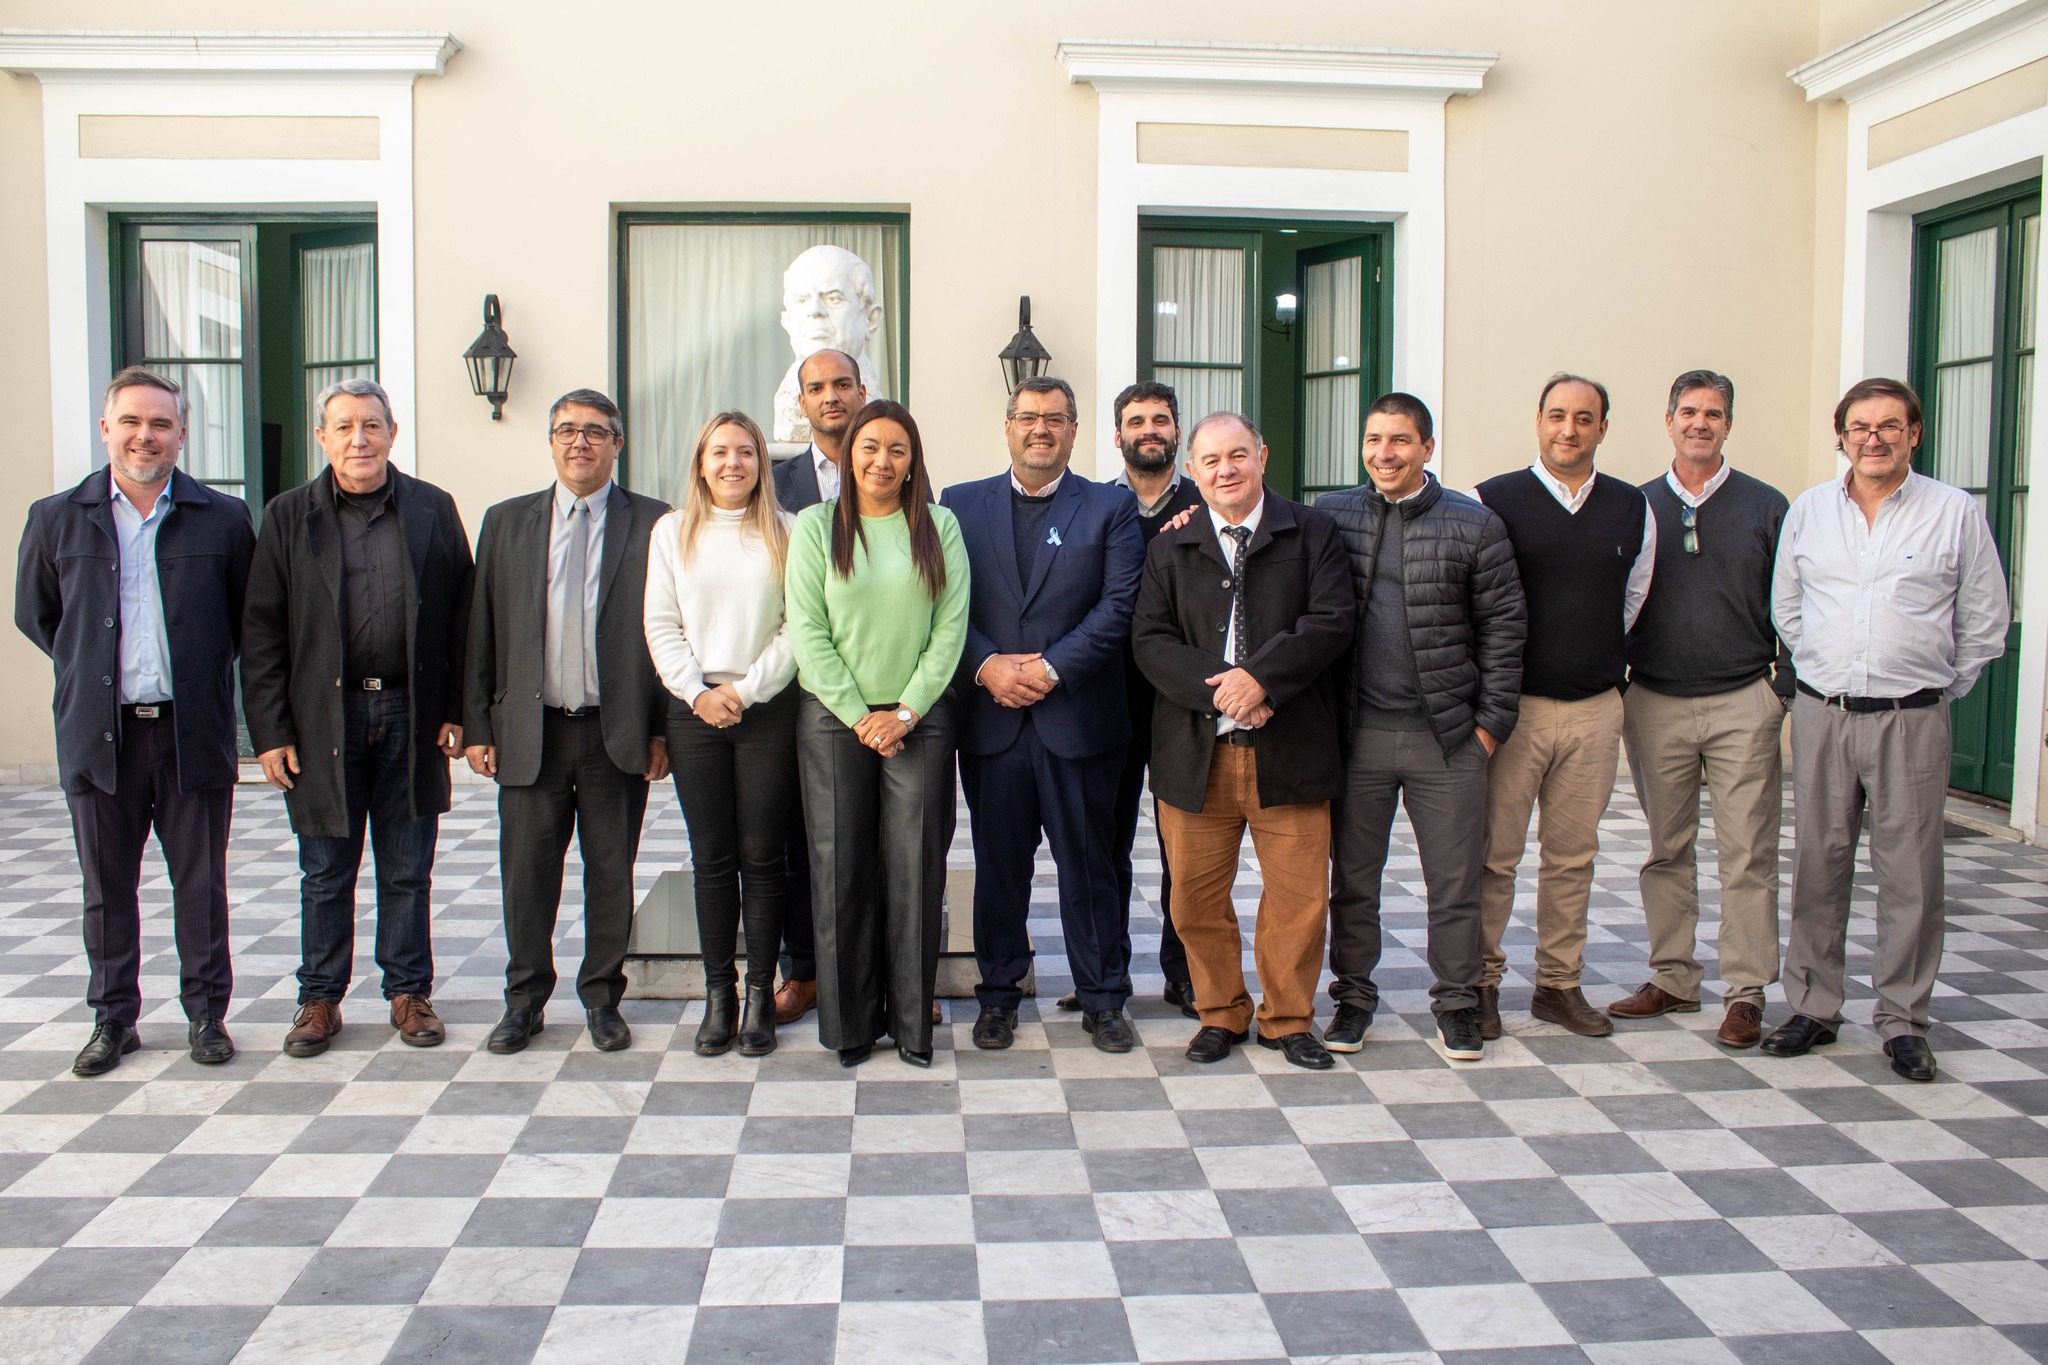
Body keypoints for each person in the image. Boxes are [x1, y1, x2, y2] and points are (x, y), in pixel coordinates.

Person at [1763, 377, 2008, 1082]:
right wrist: (1821, 670)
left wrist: (1936, 687)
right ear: (1841, 435)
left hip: (1912, 718)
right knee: (1819, 863)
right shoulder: (1811, 510)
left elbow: (1986, 617)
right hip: (1824, 713)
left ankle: (1903, 1019)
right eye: (1860, 426)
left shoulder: (1953, 512)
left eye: (1889, 426)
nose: (1874, 438)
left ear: (1914, 433)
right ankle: (1813, 1004)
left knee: (1912, 875)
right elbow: (1788, 603)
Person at [15, 367, 255, 1075]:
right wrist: (92, 667)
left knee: (201, 882)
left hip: (191, 731)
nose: (145, 435)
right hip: (100, 733)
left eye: (160, 423)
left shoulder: (224, 518)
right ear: (106, 429)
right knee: (106, 886)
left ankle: (207, 1014)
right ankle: (113, 1017)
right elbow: (40, 615)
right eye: (131, 421)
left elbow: (246, 617)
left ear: (182, 434)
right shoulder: (56, 517)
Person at [241, 378, 474, 1058]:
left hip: (411, 709)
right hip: (323, 719)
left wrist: (459, 710)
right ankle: (319, 997)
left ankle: (408, 991)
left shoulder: (432, 509)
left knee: (407, 865)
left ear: (392, 433)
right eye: (344, 427)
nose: (359, 439)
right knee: (325, 867)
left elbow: (463, 618)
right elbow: (262, 632)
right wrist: (272, 731)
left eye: (371, 425)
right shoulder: (288, 517)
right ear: (323, 437)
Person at [1133, 412, 1353, 1069]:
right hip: (1195, 756)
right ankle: (1220, 1012)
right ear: (1192, 470)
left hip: (1292, 751)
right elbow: (1150, 640)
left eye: (1238, 455)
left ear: (1261, 455)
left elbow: (1332, 620)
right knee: (1194, 899)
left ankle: (1288, 1018)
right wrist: (1222, 689)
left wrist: (1262, 679)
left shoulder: (1312, 532)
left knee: (1298, 900)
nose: (1225, 469)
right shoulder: (1170, 545)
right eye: (1210, 459)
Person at [464, 389, 670, 1056]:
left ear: (618, 443)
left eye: (595, 432)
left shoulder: (654, 523)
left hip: (615, 729)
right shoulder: (506, 522)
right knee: (527, 875)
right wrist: (476, 724)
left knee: (611, 869)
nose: (580, 442)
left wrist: (662, 727)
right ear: (551, 442)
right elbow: (481, 629)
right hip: (532, 730)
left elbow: (671, 631)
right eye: (567, 431)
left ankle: (603, 997)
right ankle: (524, 1001)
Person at [1319, 393, 1525, 1061]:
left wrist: (1489, 726)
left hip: (1449, 737)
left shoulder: (1475, 524)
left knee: (1456, 878)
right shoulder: (1330, 517)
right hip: (1359, 737)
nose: (1385, 452)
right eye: (1374, 439)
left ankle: (1459, 1004)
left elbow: (1504, 629)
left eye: (1400, 440)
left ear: (1427, 448)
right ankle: (1352, 999)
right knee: (1354, 878)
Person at [943, 376, 1146, 1053]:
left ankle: (1103, 998)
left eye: (1055, 419)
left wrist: (1050, 668)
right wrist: (987, 665)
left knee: (1089, 865)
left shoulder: (1110, 508)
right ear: (1007, 427)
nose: (1040, 429)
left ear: (1074, 430)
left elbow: (1118, 607)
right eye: (1028, 417)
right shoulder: (959, 505)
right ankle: (998, 996)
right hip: (993, 722)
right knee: (1000, 868)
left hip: (1080, 719)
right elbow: (942, 606)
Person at [784, 399, 968, 1067]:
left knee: (915, 869)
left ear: (912, 458)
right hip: (834, 721)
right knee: (840, 873)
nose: (881, 460)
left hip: (918, 720)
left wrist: (906, 712)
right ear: (846, 455)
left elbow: (950, 628)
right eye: (869, 447)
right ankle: (851, 1025)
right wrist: (859, 712)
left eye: (896, 448)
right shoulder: (814, 528)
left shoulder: (939, 527)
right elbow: (807, 628)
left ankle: (913, 1026)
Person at [1611, 370, 1792, 1049]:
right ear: (1668, 420)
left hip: (1745, 695)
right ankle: (1674, 975)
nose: (1700, 423)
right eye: (1688, 411)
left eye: (1713, 413)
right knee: (1666, 848)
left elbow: (1794, 602)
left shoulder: (1767, 505)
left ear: (1728, 424)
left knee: (1747, 853)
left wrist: (1783, 687)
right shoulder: (1637, 504)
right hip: (1655, 697)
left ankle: (1745, 992)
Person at [1472, 373, 1655, 1039]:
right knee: (1495, 854)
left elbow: (1632, 598)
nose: (1569, 430)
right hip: (1514, 708)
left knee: (1573, 854)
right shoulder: (1492, 500)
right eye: (1557, 416)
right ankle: (1482, 983)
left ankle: (1558, 983)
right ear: (1539, 422)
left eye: (1584, 418)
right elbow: (1476, 603)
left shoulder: (1633, 507)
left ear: (1603, 428)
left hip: (1595, 708)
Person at [646, 410, 797, 1056]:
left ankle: (761, 991)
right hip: (694, 711)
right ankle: (720, 992)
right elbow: (660, 623)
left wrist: (745, 689)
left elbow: (798, 625)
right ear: (701, 463)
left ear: (761, 462)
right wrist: (700, 693)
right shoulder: (671, 532)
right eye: (720, 453)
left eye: (745, 452)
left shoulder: (787, 530)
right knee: (712, 859)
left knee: (764, 859)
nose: (732, 463)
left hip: (765, 708)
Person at [768, 348, 865, 1027]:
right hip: (791, 688)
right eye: (816, 388)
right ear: (800, 402)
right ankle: (801, 971)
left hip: (884, 691)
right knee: (797, 841)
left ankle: (892, 975)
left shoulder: (897, 469)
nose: (830, 396)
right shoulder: (772, 485)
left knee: (883, 840)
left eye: (841, 384)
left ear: (862, 391)